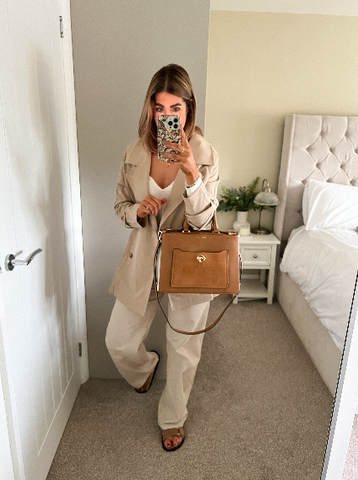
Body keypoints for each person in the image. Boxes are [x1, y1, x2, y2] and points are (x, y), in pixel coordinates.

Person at [106, 64, 219, 452]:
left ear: (189, 109)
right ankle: (144, 370)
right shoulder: (134, 151)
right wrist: (138, 210)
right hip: (142, 261)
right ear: (150, 109)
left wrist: (192, 175)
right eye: (160, 108)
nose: (167, 116)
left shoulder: (204, 155)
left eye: (176, 108)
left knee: (184, 351)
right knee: (118, 341)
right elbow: (120, 205)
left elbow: (204, 224)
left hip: (188, 266)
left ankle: (172, 418)